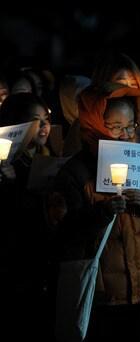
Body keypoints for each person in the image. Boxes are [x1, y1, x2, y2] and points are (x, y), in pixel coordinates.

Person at [53, 83, 140, 342]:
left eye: (130, 126)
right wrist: (102, 212)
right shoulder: (76, 172)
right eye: (115, 126)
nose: (125, 135)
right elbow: (63, 233)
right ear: (94, 122)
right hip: (101, 295)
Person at [0, 92, 57, 341]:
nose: (44, 126)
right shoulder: (8, 163)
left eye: (46, 119)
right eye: (36, 120)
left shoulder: (50, 156)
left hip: (45, 258)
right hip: (17, 260)